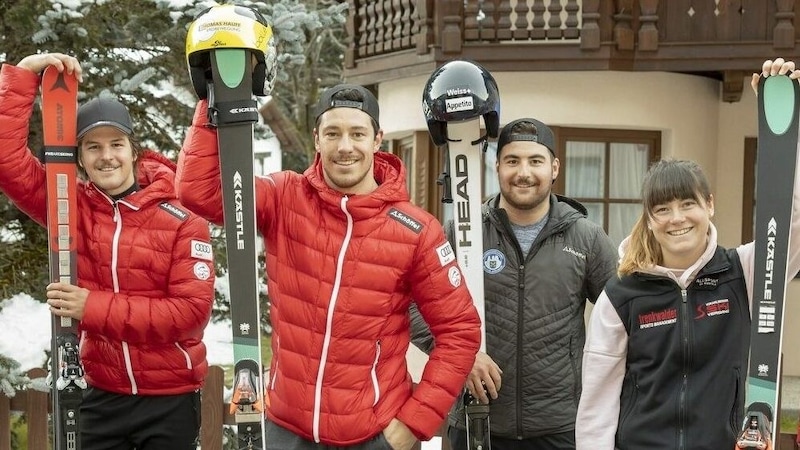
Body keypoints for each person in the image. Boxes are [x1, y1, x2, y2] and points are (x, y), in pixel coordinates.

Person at [176, 82, 482, 449]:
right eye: (333, 133)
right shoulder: (285, 197)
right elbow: (201, 193)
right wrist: (215, 94)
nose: (345, 147)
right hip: (287, 429)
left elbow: (459, 332)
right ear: (317, 139)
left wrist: (414, 423)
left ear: (377, 139)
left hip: (371, 434)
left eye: (357, 133)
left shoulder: (415, 230)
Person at [575, 58, 800, 450]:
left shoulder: (744, 271)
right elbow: (597, 405)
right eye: (662, 209)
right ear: (648, 218)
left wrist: (787, 127)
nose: (676, 219)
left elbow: (794, 222)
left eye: (687, 204)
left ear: (709, 205)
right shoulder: (622, 294)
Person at [0, 53, 215, 449]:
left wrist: (92, 306)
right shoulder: (70, 207)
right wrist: (23, 75)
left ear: (134, 150)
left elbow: (190, 314)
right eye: (93, 147)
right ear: (79, 158)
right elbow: (8, 161)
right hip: (102, 394)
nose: (106, 156)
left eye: (116, 143)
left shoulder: (181, 216)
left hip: (170, 398)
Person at [411, 117, 618, 449]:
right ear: (497, 167)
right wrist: (457, 356)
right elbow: (412, 302)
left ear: (554, 167)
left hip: (560, 427)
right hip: (476, 420)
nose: (524, 172)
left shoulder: (585, 238)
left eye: (535, 161)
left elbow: (624, 312)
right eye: (512, 161)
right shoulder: (463, 232)